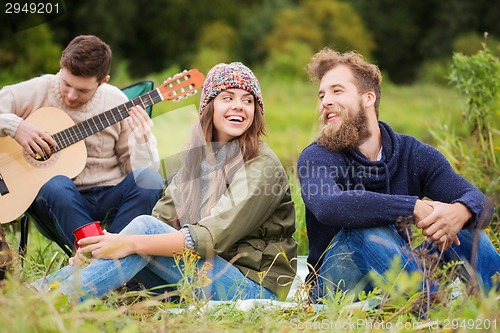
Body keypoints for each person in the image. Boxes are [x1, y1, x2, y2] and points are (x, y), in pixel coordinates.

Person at [32, 62, 298, 302]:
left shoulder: (262, 164)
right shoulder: (200, 158)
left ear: (256, 112)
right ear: (210, 107)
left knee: (141, 233)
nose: (239, 106)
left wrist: (130, 243)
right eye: (227, 97)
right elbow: (161, 220)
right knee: (139, 232)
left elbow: (209, 238)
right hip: (203, 272)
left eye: (248, 100)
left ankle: (55, 302)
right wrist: (99, 250)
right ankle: (38, 293)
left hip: (251, 286)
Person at [297, 48, 499, 300]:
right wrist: (412, 207)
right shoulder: (317, 156)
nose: (325, 101)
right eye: (321, 95)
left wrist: (460, 212)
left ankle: (493, 301)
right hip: (336, 285)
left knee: (462, 223)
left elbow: (483, 203)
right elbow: (328, 205)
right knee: (362, 229)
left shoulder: (411, 152)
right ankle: (429, 307)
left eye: (337, 91)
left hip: (394, 267)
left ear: (368, 98)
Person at [0, 35, 164, 250]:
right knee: (57, 183)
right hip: (57, 201)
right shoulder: (36, 91)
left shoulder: (116, 102)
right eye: (66, 84)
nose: (70, 96)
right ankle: (106, 263)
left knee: (150, 179)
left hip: (108, 195)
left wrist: (143, 141)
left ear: (103, 81)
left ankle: (102, 262)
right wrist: (15, 126)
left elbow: (136, 171)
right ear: (61, 68)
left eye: (83, 90)